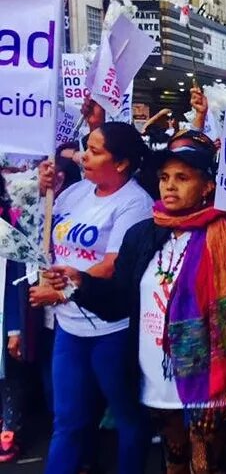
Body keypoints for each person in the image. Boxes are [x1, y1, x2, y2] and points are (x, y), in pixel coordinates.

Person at [44, 134, 226, 473]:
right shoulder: (144, 234)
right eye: (164, 178)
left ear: (207, 187)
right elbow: (120, 300)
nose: (169, 186)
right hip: (157, 377)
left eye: (182, 178)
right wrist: (80, 283)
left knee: (204, 465)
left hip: (212, 377)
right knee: (173, 460)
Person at [29, 122, 154, 474]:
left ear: (121, 163)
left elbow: (114, 266)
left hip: (111, 329)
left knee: (128, 417)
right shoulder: (75, 193)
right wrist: (41, 191)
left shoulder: (135, 203)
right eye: (87, 146)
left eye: (95, 150)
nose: (84, 155)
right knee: (67, 421)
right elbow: (46, 237)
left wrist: (62, 289)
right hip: (69, 328)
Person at [0, 175, 26, 462]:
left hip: (4, 318)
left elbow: (14, 285)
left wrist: (15, 329)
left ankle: (9, 427)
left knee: (8, 377)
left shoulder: (8, 229)